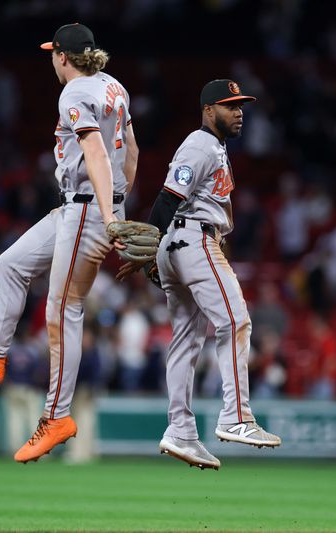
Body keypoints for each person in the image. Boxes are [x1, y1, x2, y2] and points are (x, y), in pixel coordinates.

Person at [0, 23, 139, 464]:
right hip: (82, 205)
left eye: (53, 53)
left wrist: (108, 217)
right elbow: (132, 151)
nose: (51, 58)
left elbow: (99, 155)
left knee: (63, 309)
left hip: (89, 209)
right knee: (10, 263)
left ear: (63, 57)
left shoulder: (73, 93)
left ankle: (57, 416)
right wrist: (120, 204)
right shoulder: (113, 86)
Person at [118, 79, 280, 470]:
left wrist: (158, 254)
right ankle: (236, 416)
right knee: (236, 321)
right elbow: (167, 197)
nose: (239, 112)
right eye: (230, 106)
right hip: (192, 239)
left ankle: (180, 431)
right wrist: (152, 249)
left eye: (241, 105)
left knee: (187, 340)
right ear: (209, 110)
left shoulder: (215, 147)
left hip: (182, 243)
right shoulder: (200, 144)